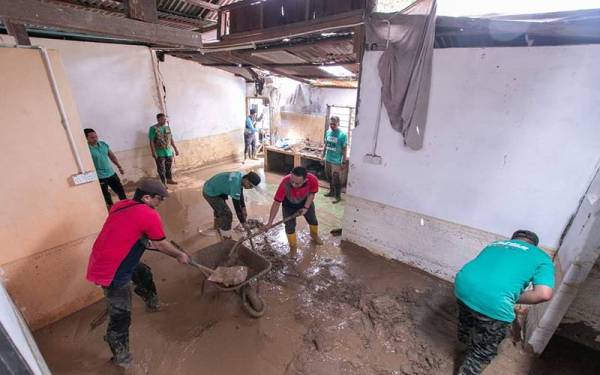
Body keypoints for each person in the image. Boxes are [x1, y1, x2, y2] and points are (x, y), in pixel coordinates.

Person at [86, 178, 190, 367]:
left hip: (108, 257)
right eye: (160, 199)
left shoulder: (121, 205)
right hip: (113, 269)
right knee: (121, 315)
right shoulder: (149, 215)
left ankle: (152, 302)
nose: (161, 203)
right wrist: (179, 255)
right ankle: (121, 356)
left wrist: (143, 239)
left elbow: (125, 229)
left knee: (143, 273)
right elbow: (161, 243)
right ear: (148, 198)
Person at [454, 230, 554, 375]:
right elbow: (544, 294)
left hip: (462, 286)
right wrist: (511, 298)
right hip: (494, 302)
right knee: (483, 351)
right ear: (534, 245)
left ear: (513, 240)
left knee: (467, 316)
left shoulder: (495, 244)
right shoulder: (542, 257)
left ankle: (463, 340)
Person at [266, 167, 323, 257]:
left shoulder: (312, 180)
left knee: (313, 220)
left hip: (305, 202)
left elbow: (312, 193)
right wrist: (270, 222)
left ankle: (314, 235)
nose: (293, 184)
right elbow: (276, 203)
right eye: (292, 181)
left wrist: (306, 208)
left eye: (297, 183)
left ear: (305, 180)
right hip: (288, 205)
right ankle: (293, 247)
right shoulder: (285, 183)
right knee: (289, 227)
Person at [202, 171, 261, 239]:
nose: (250, 188)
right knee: (227, 214)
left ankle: (216, 227)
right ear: (246, 179)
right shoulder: (235, 184)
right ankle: (226, 237)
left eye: (252, 187)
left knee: (219, 209)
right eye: (250, 185)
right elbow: (237, 207)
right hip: (210, 192)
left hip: (216, 187)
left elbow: (240, 192)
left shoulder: (242, 176)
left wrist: (243, 208)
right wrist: (243, 222)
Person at [84, 128, 127, 208]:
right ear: (86, 138)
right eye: (92, 138)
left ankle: (126, 205)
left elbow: (112, 156)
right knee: (106, 194)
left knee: (120, 190)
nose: (95, 139)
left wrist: (119, 166)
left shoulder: (103, 144)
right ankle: (111, 209)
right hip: (100, 177)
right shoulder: (86, 149)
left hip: (111, 173)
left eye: (96, 136)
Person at [322, 116, 347, 203]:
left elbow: (344, 149)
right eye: (331, 124)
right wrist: (322, 156)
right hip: (328, 159)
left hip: (336, 161)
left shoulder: (342, 135)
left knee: (336, 178)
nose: (332, 125)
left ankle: (338, 196)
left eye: (334, 124)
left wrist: (343, 161)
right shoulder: (328, 132)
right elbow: (325, 145)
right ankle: (331, 192)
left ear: (338, 124)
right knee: (328, 176)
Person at [149, 113, 179, 185]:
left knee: (168, 167)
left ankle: (169, 179)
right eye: (163, 119)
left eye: (165, 119)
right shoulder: (153, 128)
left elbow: (171, 139)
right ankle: (163, 183)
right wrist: (153, 152)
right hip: (159, 153)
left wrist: (175, 149)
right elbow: (151, 141)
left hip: (168, 152)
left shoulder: (167, 127)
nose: (165, 120)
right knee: (161, 169)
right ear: (158, 119)